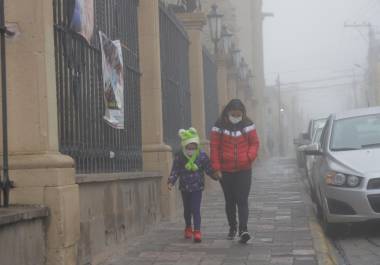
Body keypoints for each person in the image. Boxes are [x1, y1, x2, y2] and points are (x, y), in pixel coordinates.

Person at [210, 99, 260, 243]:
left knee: (242, 199)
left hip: (244, 170)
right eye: (233, 114)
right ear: (227, 112)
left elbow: (255, 143)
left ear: (243, 114)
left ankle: (243, 229)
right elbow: (214, 148)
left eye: (238, 114)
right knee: (230, 201)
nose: (236, 117)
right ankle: (233, 227)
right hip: (225, 171)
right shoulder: (218, 126)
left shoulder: (248, 125)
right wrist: (216, 168)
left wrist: (249, 157)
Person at [168, 127, 219, 243]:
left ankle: (197, 231)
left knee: (195, 209)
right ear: (184, 146)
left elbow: (208, 168)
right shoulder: (180, 156)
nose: (190, 150)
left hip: (197, 187)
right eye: (188, 148)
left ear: (197, 146)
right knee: (187, 210)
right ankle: (188, 227)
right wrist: (171, 181)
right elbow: (175, 170)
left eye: (193, 147)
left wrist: (215, 176)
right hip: (184, 187)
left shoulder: (201, 155)